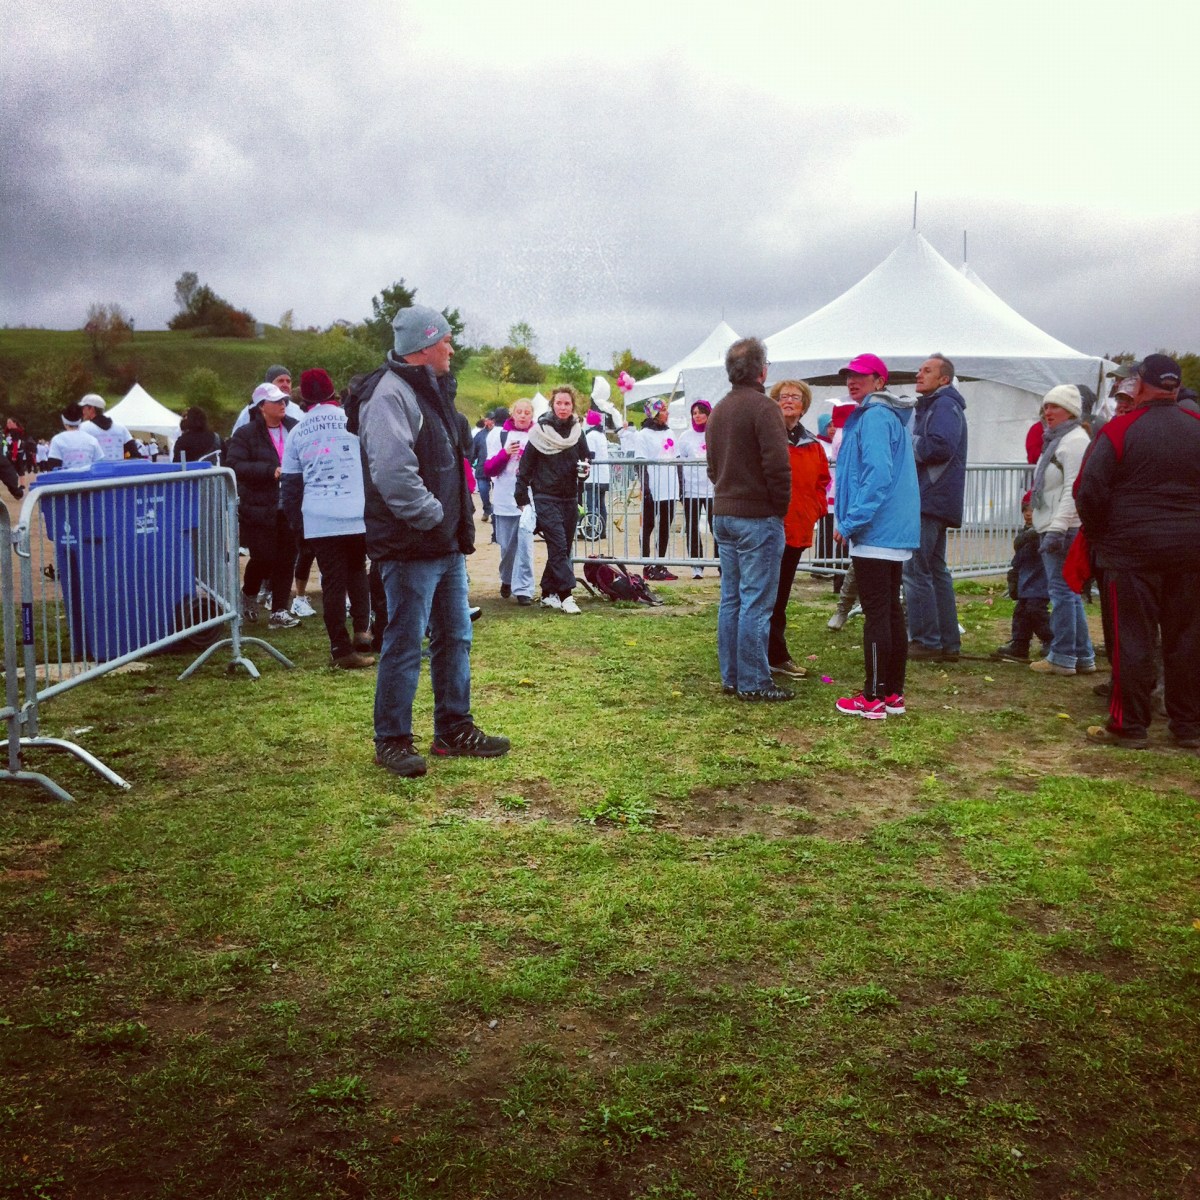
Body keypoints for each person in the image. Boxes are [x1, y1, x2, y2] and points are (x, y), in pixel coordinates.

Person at [354, 304, 509, 779]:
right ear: (424, 346)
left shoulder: (431, 389)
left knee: (456, 636)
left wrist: (449, 526)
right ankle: (393, 740)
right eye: (445, 340)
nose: (452, 348)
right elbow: (393, 472)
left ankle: (453, 727)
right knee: (404, 642)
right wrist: (434, 516)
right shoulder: (389, 395)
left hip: (441, 543)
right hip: (411, 544)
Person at [1076, 354, 1200, 750]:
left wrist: (1103, 536)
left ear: (1140, 385)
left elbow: (1089, 491)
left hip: (1131, 552)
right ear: (1175, 386)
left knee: (1132, 638)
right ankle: (1188, 725)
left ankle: (1129, 724)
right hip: (1190, 551)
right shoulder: (1197, 427)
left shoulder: (1119, 429)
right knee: (1188, 639)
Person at [832, 354, 919, 719]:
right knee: (891, 612)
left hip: (877, 530)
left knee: (876, 613)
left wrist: (851, 521)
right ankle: (892, 692)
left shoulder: (875, 417)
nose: (853, 382)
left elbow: (877, 475)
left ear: (879, 382)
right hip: (892, 530)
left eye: (862, 377)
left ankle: (873, 697)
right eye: (850, 376)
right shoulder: (887, 417)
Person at [705, 337, 793, 702]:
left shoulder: (719, 409)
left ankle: (733, 677)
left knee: (732, 600)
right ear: (762, 370)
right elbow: (777, 466)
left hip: (725, 511)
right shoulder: (764, 408)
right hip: (757, 515)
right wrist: (779, 506)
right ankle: (754, 681)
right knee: (756, 601)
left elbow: (712, 467)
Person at [280, 368, 374, 669]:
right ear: (333, 391)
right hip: (356, 511)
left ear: (303, 397)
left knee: (332, 582)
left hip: (319, 515)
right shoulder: (352, 421)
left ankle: (340, 648)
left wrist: (299, 525)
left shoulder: (297, 431)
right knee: (358, 570)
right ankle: (362, 628)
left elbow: (291, 486)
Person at [903, 355, 967, 663]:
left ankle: (927, 640)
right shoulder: (938, 405)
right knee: (935, 570)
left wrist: (907, 444)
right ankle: (946, 642)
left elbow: (941, 445)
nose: (919, 374)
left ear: (943, 379)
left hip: (929, 498)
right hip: (936, 498)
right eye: (919, 370)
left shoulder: (943, 406)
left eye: (927, 371)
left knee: (916, 569)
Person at [1028, 384, 1094, 677]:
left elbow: (1072, 489)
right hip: (1058, 524)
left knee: (1062, 592)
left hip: (1063, 527)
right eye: (1046, 406)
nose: (1047, 412)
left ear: (1070, 410)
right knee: (1068, 591)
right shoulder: (1059, 440)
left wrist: (1056, 528)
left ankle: (1063, 656)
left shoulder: (1074, 441)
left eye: (1054, 406)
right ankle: (1083, 655)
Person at [767, 380, 830, 679]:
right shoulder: (767, 438)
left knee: (781, 594)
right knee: (765, 595)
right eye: (782, 397)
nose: (788, 401)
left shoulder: (813, 445)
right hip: (769, 527)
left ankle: (775, 653)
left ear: (804, 406)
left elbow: (821, 482)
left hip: (797, 529)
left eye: (795, 397)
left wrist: (815, 508)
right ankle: (769, 653)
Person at [225, 383, 300, 629]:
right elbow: (234, 465)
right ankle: (249, 593)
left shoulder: (294, 427)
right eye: (276, 401)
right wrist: (270, 471)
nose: (283, 404)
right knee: (263, 557)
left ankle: (279, 610)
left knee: (287, 558)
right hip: (259, 507)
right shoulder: (246, 434)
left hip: (289, 505)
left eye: (284, 400)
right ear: (261, 407)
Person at [514, 384, 590, 614]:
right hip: (545, 496)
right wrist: (521, 494)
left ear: (572, 406)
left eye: (567, 403)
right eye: (559, 403)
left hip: (569, 497)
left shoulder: (578, 432)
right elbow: (526, 466)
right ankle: (567, 595)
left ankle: (548, 592)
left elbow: (585, 460)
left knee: (563, 548)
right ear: (552, 404)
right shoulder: (539, 432)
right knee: (557, 544)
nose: (563, 407)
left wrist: (584, 473)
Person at [621, 396, 679, 580]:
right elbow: (641, 463)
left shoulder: (670, 433)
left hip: (670, 489)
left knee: (665, 526)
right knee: (648, 526)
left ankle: (660, 564)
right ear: (654, 413)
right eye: (663, 410)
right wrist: (646, 489)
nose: (666, 413)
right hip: (653, 488)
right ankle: (647, 565)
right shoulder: (643, 435)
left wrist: (681, 486)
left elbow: (678, 460)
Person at [484, 400, 536, 605]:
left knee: (525, 545)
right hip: (504, 497)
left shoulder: (537, 434)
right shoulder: (498, 435)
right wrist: (505, 454)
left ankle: (524, 589)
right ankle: (507, 578)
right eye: (519, 412)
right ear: (512, 414)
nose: (523, 416)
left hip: (527, 499)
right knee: (507, 547)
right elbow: (488, 469)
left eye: (527, 412)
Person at [992, 494, 1052, 662]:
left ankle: (1050, 640)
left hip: (1040, 580)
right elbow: (1018, 560)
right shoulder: (1024, 534)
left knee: (1036, 611)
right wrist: (1013, 577)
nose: (1028, 513)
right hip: (1026, 580)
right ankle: (1020, 643)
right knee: (1021, 612)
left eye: (1032, 509)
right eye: (1025, 509)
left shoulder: (1044, 533)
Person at [676, 399, 714, 578]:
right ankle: (696, 564)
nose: (697, 416)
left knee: (717, 527)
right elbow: (679, 461)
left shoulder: (716, 433)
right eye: (694, 413)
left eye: (701, 412)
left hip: (713, 489)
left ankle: (721, 562)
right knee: (692, 526)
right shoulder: (685, 437)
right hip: (692, 489)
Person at [230, 365, 305, 433]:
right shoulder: (250, 411)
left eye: (288, 381)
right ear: (269, 384)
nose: (285, 385)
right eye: (281, 381)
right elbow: (236, 438)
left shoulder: (299, 411)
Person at [45, 404, 104, 471]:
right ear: (80, 420)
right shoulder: (92, 439)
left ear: (63, 421)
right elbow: (100, 463)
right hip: (88, 479)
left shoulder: (57, 439)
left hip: (66, 479)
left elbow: (53, 466)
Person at [582, 409, 611, 537]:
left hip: (594, 476)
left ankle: (593, 529)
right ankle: (602, 530)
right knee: (601, 504)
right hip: (603, 476)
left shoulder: (590, 436)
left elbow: (591, 455)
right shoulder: (601, 434)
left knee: (592, 505)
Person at [470, 413, 494, 521]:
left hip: (497, 468)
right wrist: (468, 463)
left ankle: (496, 512)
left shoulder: (501, 433)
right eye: (489, 420)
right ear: (485, 421)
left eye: (493, 419)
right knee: (483, 491)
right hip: (482, 468)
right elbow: (472, 452)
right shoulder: (479, 436)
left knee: (497, 493)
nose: (491, 422)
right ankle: (487, 509)